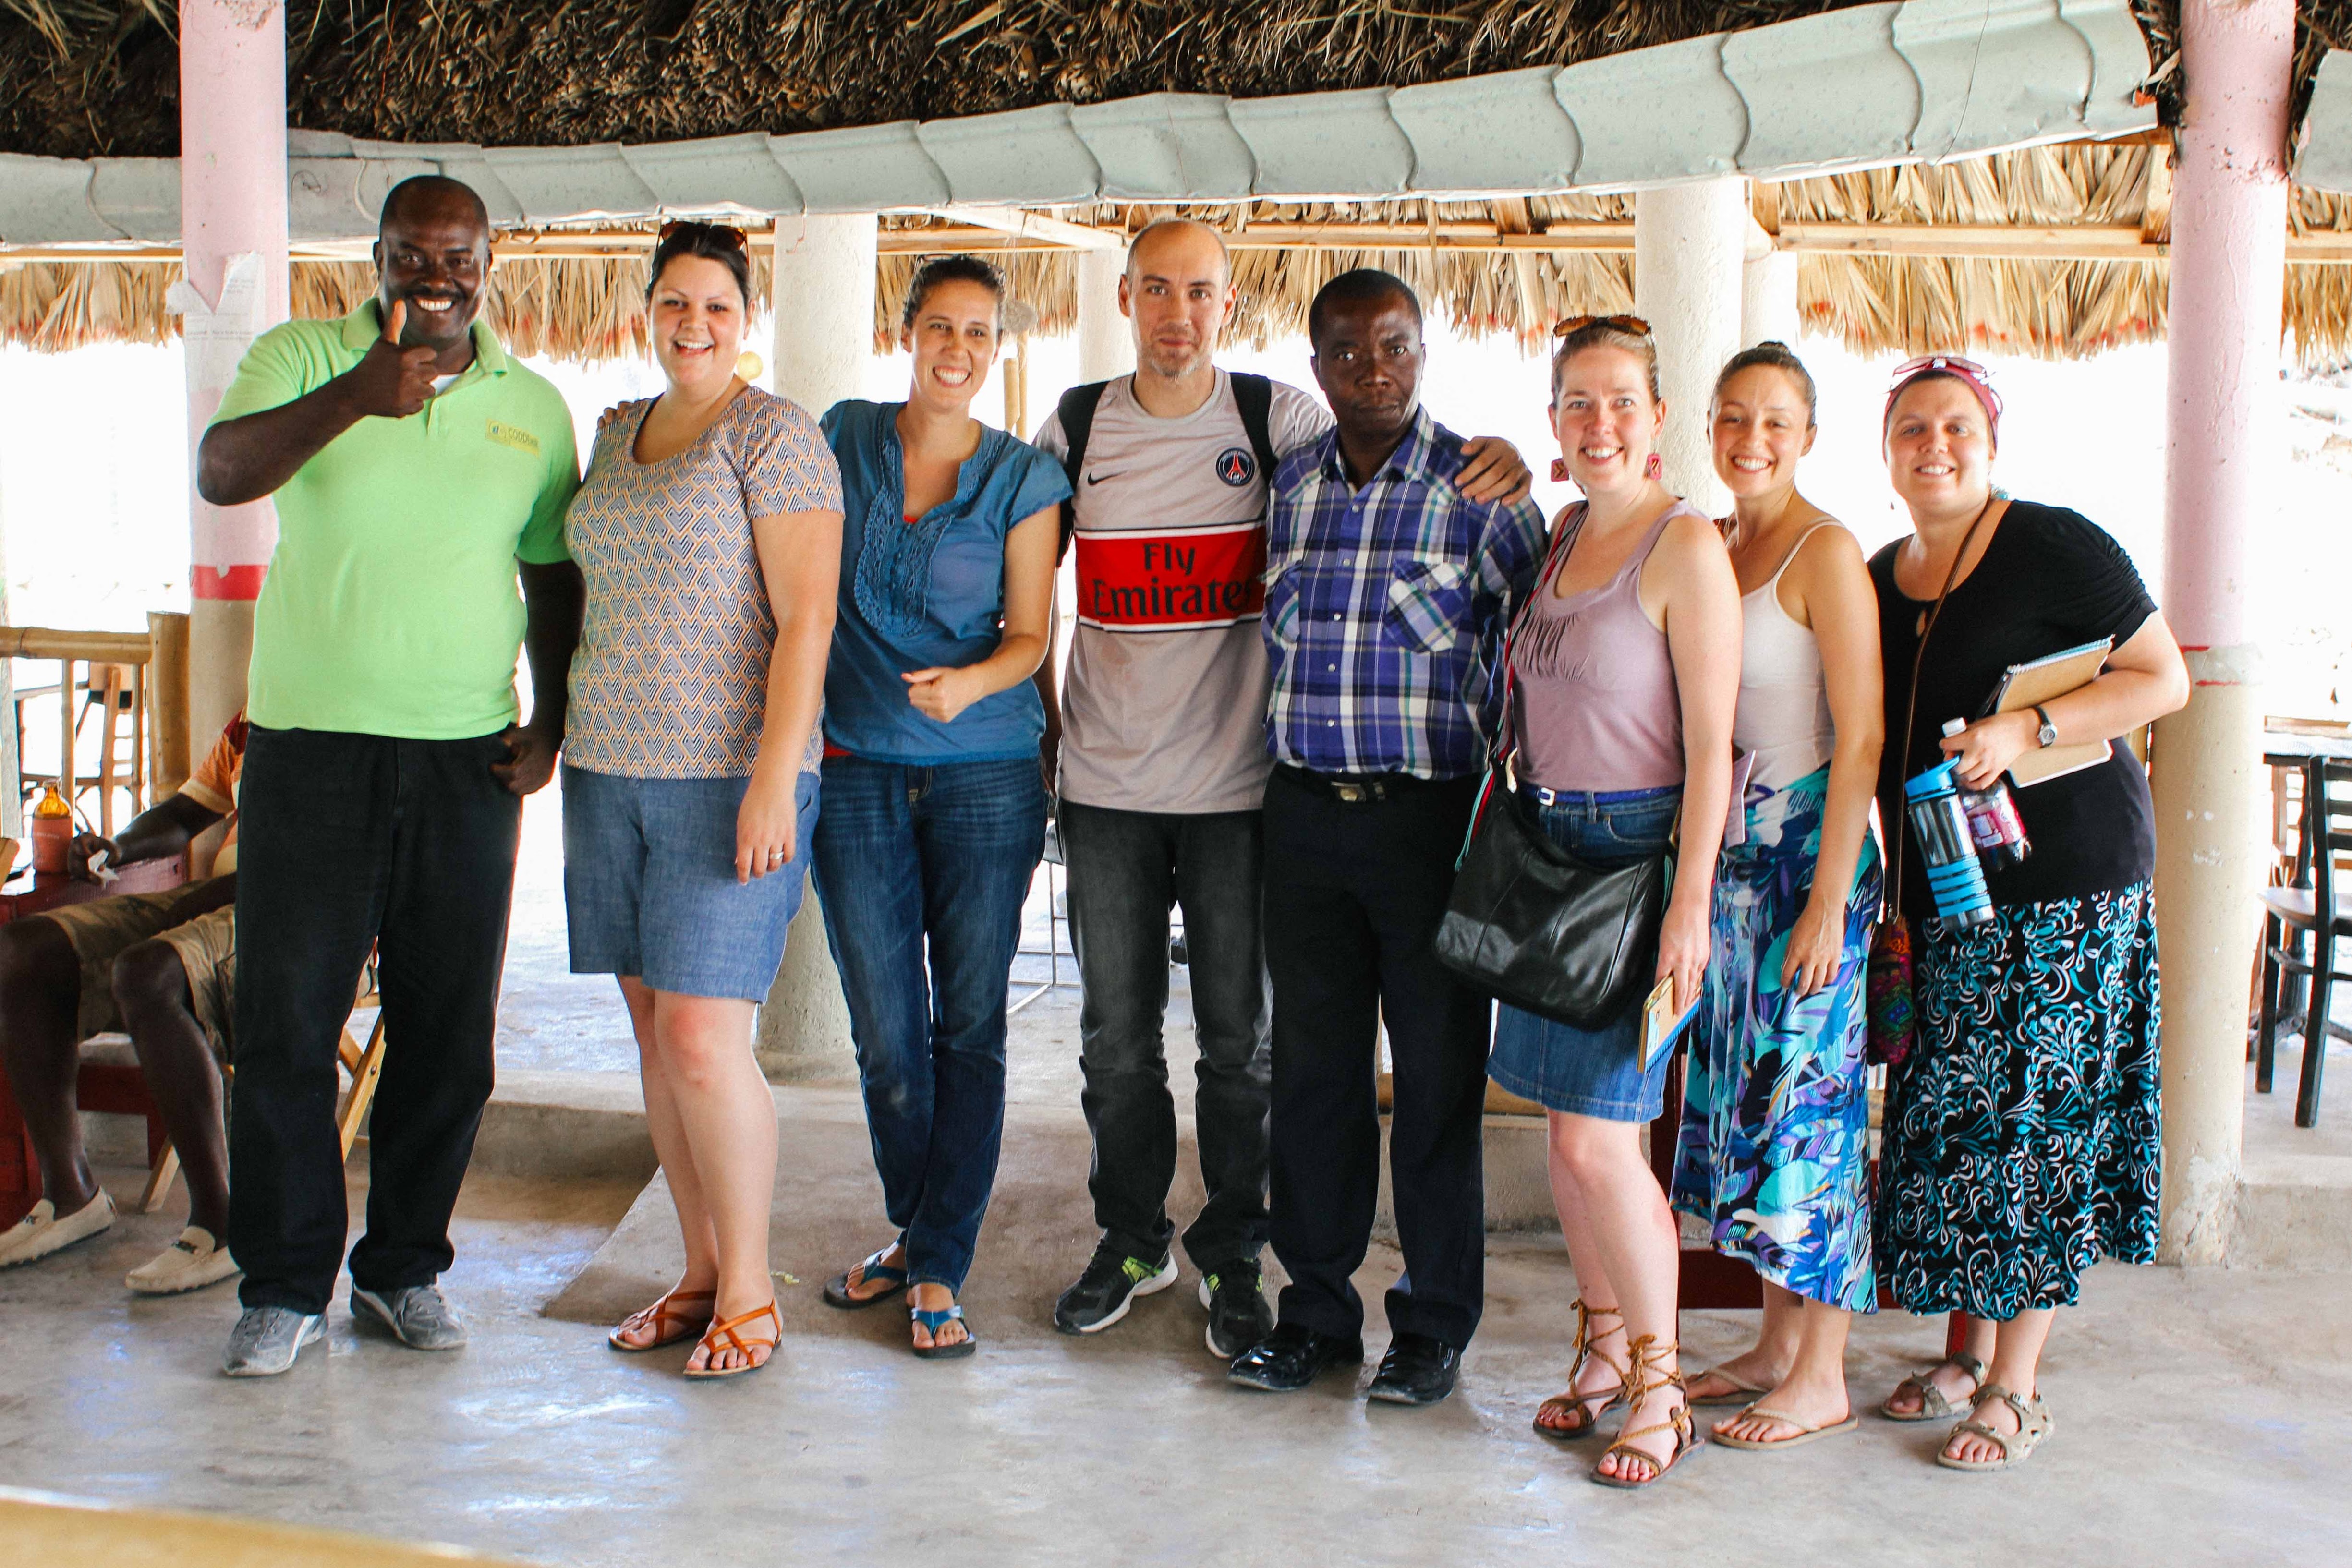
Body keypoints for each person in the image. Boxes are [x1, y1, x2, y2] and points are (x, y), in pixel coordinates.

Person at [1033, 218, 1531, 1356]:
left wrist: (1505, 451)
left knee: (1291, 1060)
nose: (1177, 312)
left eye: (1199, 291)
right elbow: (1002, 548)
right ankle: (1194, 1261)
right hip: (1184, 796)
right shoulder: (1115, 434)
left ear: (1226, 302)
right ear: (1125, 297)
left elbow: (1525, 635)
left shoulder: (1319, 438)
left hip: (1316, 806)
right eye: (1156, 289)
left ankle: (1320, 1284)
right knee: (1172, 1054)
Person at [196, 174, 585, 1377]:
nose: (436, 275)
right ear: (376, 256)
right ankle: (282, 1286)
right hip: (312, 751)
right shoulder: (300, 354)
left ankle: (403, 1268)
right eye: (412, 253)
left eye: (458, 255)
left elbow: (553, 576)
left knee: (448, 1035)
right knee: (287, 1027)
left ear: (489, 262)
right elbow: (223, 472)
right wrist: (360, 395)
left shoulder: (534, 406)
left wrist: (554, 714)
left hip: (468, 755)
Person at [1229, 269, 1547, 1409]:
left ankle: (1431, 1323)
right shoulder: (1293, 487)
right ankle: (1312, 1310)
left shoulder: (1483, 492)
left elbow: (1541, 645)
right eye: (1350, 350)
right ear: (1315, 367)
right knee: (1310, 1080)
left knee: (1434, 1083)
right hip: (1304, 817)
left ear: (1425, 353)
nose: (1375, 367)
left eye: (1397, 346)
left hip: (1430, 826)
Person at [1868, 354, 2186, 1470]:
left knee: (2036, 1126)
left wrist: (2027, 729)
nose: (1933, 445)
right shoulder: (1876, 574)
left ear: (1988, 439)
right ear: (1885, 450)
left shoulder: (2056, 542)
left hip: (2068, 883)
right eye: (1910, 428)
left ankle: (2012, 1384)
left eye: (1953, 425)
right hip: (1943, 893)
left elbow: (2158, 679)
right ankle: (1959, 1351)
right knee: (1959, 1123)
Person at [563, 222, 842, 1378]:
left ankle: (746, 1286)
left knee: (701, 1033)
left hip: (731, 774)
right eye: (674, 302)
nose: (694, 324)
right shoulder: (614, 432)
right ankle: (689, 1268)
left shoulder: (774, 435)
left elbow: (808, 618)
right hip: (604, 767)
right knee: (649, 1031)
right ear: (646, 310)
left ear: (746, 316)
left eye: (717, 306)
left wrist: (775, 776)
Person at [1493, 315, 1740, 1488]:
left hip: (1638, 861)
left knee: (1603, 1137)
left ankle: (1658, 1380)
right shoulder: (1558, 535)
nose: (1600, 423)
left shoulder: (1683, 545)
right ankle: (1598, 1346)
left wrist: (1686, 910)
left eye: (1621, 402)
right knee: (1562, 1129)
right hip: (1543, 849)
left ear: (1655, 417)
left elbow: (1710, 748)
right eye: (1577, 403)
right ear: (1554, 422)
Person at [812, 256, 1069, 1360]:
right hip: (855, 767)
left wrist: (971, 683)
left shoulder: (1021, 476)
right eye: (936, 327)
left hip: (984, 774)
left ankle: (933, 1263)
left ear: (996, 348)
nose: (954, 348)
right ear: (905, 333)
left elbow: (1028, 634)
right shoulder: (842, 435)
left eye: (976, 332)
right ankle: (921, 1232)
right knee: (882, 1027)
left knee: (966, 1021)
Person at [1665, 344, 1886, 1450]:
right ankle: (1768, 1344)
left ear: (1806, 436)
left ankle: (1822, 1372)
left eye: (1775, 422)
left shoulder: (1823, 549)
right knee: (1746, 1103)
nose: (1749, 438)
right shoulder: (1712, 543)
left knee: (1812, 1110)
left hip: (1812, 857)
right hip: (1734, 860)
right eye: (1732, 417)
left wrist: (1824, 906)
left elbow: (1861, 742)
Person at [0, 715, 249, 1292]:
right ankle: (71, 1195)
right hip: (211, 898)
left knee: (147, 973)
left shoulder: (353, 716)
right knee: (22, 951)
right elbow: (188, 812)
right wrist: (119, 844)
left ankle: (222, 1221)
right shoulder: (253, 720)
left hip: (299, 915)